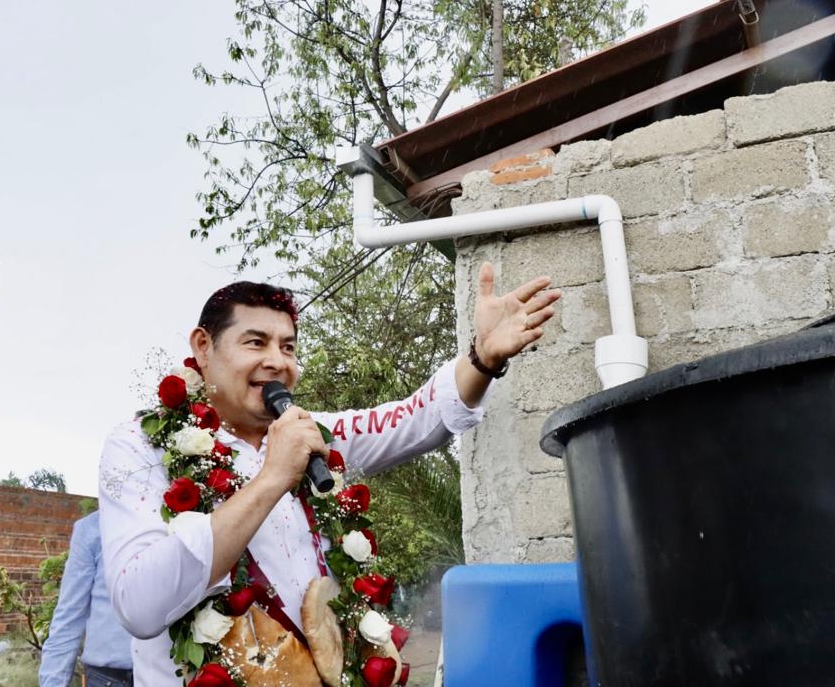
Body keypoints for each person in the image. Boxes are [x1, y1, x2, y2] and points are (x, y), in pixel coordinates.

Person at [98, 263, 560, 686]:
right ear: (203, 347)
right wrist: (273, 477)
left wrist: (482, 358)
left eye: (288, 347)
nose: (277, 361)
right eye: (256, 343)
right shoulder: (141, 446)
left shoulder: (311, 436)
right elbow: (139, 605)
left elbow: (412, 418)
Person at [38, 511, 133, 687]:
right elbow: (70, 615)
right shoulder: (93, 527)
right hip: (107, 679)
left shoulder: (177, 522)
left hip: (168, 674)